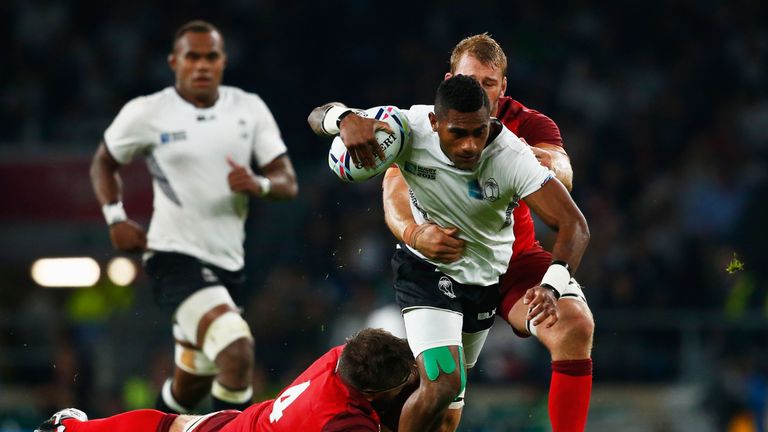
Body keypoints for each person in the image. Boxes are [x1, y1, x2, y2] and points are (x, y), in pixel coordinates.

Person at [308, 74, 590, 432]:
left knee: (447, 418)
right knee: (442, 384)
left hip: (482, 283)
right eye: (458, 133)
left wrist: (551, 286)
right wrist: (344, 119)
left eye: (479, 132)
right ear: (434, 122)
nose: (471, 145)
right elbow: (318, 116)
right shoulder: (405, 127)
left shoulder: (511, 156)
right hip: (425, 271)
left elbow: (574, 225)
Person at [380, 34, 594, 432]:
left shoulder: (526, 128)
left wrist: (526, 159)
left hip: (515, 260)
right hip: (447, 260)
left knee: (575, 325)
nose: (478, 91)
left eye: (489, 84)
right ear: (450, 81)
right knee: (442, 408)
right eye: (469, 81)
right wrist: (413, 232)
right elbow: (394, 187)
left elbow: (562, 174)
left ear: (503, 87)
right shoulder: (429, 124)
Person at [89, 20, 298, 414]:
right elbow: (104, 162)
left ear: (223, 61)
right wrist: (115, 218)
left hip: (229, 264)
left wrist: (259, 183)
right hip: (173, 257)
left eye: (211, 56)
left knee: (188, 386)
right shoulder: (148, 112)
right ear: (174, 62)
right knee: (237, 353)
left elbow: (286, 180)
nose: (202, 65)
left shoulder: (249, 108)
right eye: (193, 56)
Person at [35, 328, 417, 432]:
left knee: (173, 425)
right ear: (371, 393)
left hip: (242, 422)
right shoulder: (345, 424)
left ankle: (69, 429)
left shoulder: (341, 356)